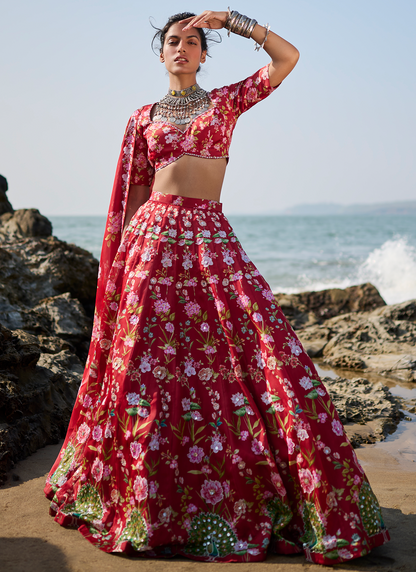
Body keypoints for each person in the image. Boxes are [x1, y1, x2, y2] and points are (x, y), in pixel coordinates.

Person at [45, 10, 389, 564]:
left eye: (192, 42)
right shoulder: (142, 117)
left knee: (262, 351)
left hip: (209, 237)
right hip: (151, 241)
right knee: (145, 370)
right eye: (172, 42)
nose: (181, 48)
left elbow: (288, 59)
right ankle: (146, 505)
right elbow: (132, 194)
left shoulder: (225, 102)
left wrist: (236, 20)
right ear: (161, 55)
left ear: (206, 53)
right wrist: (118, 271)